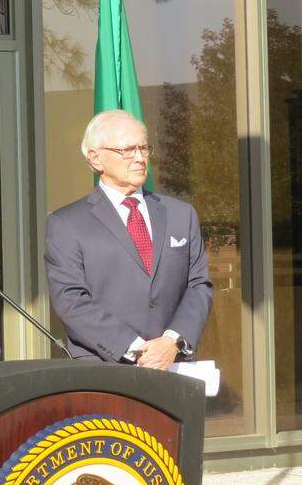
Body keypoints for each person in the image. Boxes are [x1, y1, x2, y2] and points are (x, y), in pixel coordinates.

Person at [44, 109, 213, 368]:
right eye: (127, 150)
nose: (140, 158)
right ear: (95, 159)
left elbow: (198, 285)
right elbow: (71, 301)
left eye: (144, 148)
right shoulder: (66, 224)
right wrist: (136, 349)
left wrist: (171, 342)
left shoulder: (181, 215)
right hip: (106, 370)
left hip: (173, 365)